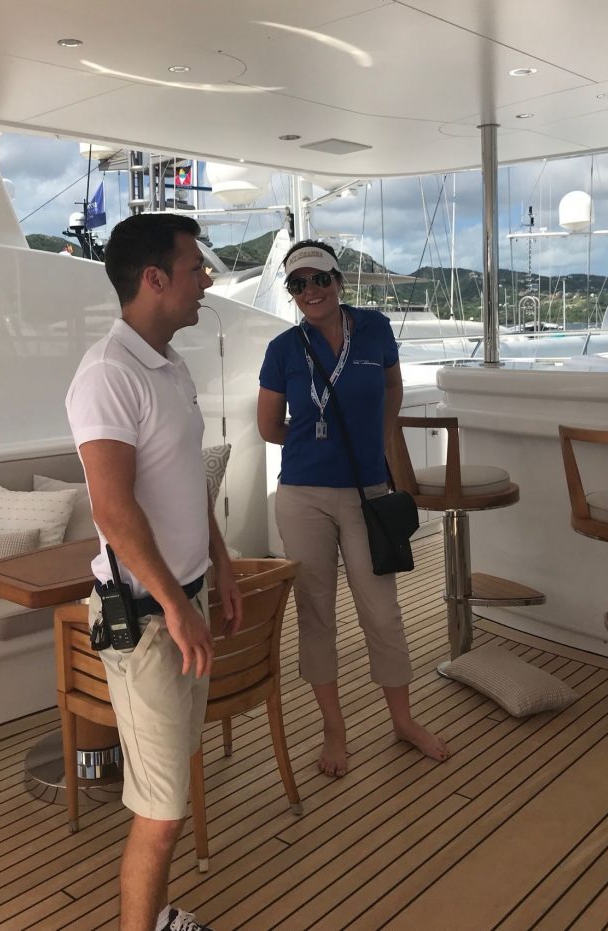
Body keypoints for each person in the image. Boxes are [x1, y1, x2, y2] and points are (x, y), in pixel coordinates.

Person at [66, 213, 241, 931]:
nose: (207, 279)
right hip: (144, 620)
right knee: (162, 809)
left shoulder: (168, 365)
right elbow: (113, 509)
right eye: (196, 267)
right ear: (154, 278)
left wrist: (221, 563)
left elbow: (184, 483)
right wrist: (173, 603)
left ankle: (159, 914)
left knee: (169, 788)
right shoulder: (108, 373)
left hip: (183, 602)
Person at [257, 239, 449, 778]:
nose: (311, 291)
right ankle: (334, 730)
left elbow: (392, 386)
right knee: (316, 614)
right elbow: (268, 426)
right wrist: (315, 441)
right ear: (291, 293)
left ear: (339, 281)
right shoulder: (283, 348)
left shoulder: (375, 329)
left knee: (382, 610)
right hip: (303, 496)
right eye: (298, 284)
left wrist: (380, 439)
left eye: (320, 279)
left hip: (368, 492)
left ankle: (403, 720)